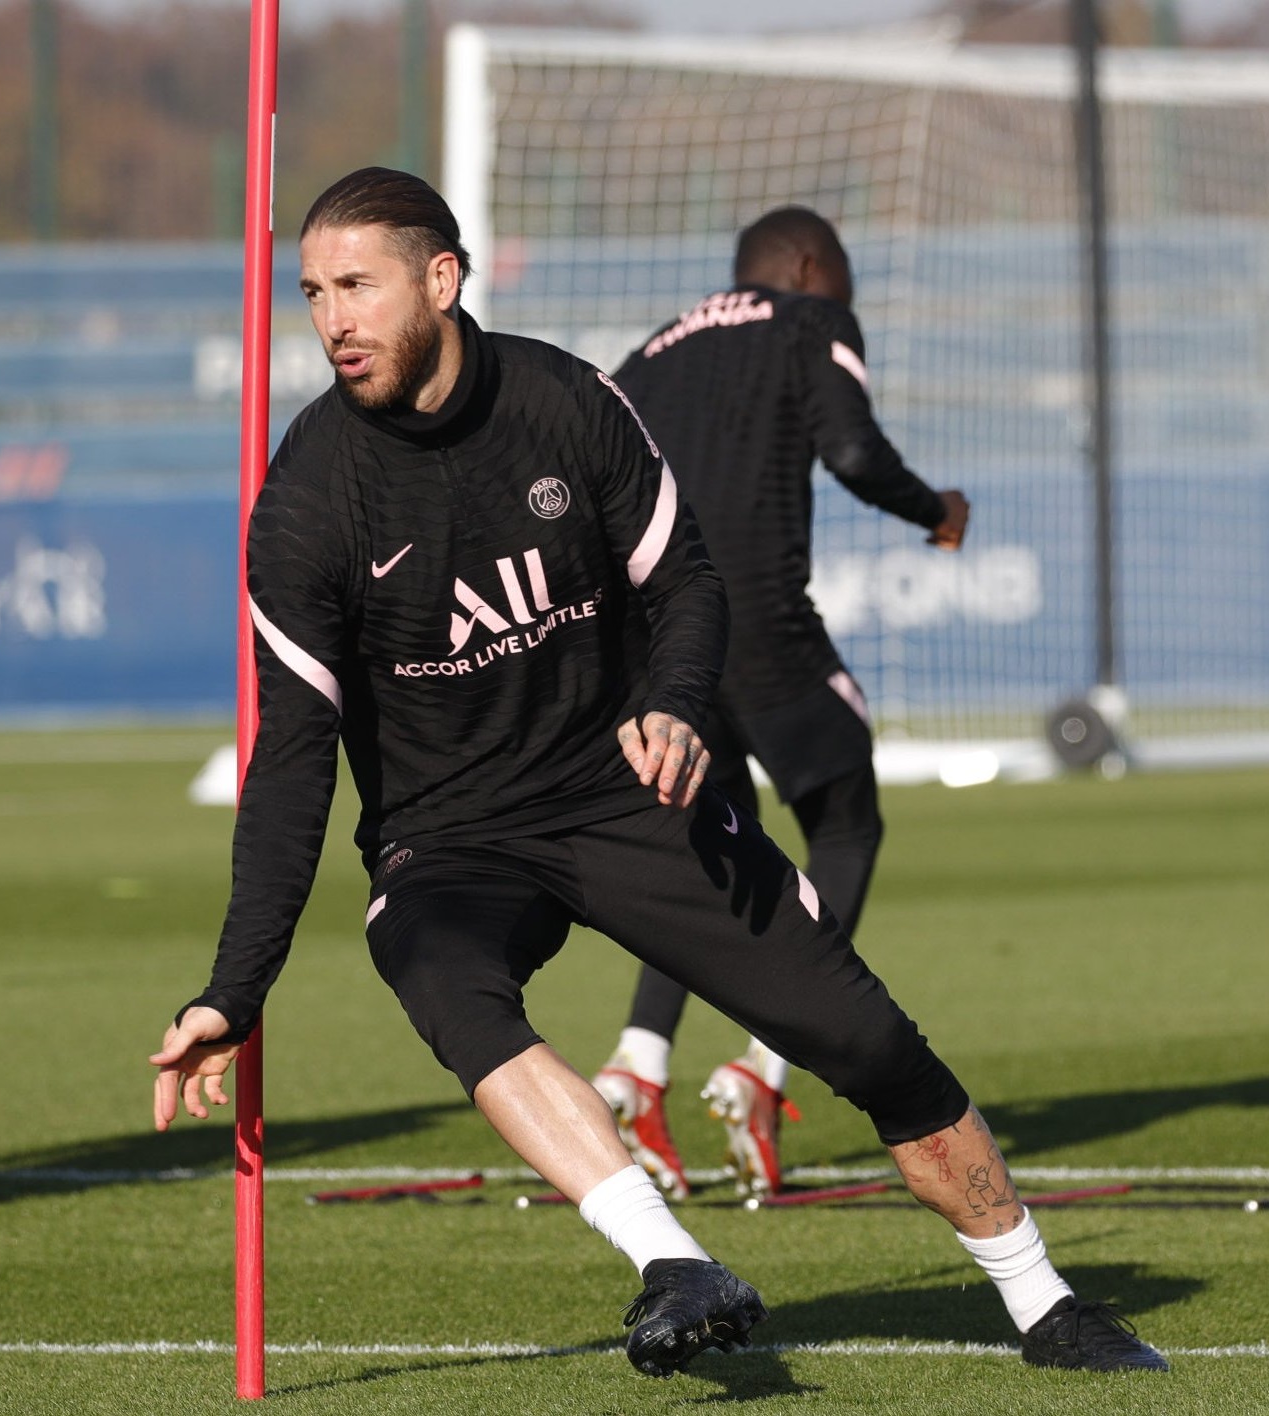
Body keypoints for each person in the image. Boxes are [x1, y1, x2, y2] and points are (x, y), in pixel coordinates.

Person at [149, 168, 1166, 1380]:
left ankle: (1046, 1306)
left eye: (357, 286)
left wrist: (675, 705)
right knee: (442, 978)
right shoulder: (306, 500)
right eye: (313, 292)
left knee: (870, 1044)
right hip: (448, 833)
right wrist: (233, 990)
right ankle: (672, 1262)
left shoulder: (567, 401)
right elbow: (288, 765)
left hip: (622, 791)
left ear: (442, 279)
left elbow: (686, 580)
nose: (332, 320)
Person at [591, 207, 972, 1203]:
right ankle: (762, 1069)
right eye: (841, 275)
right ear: (807, 267)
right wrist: (935, 510)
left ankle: (636, 1064)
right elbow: (851, 451)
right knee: (845, 825)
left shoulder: (649, 353)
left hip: (656, 643)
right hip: (756, 620)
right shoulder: (811, 320)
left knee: (715, 846)